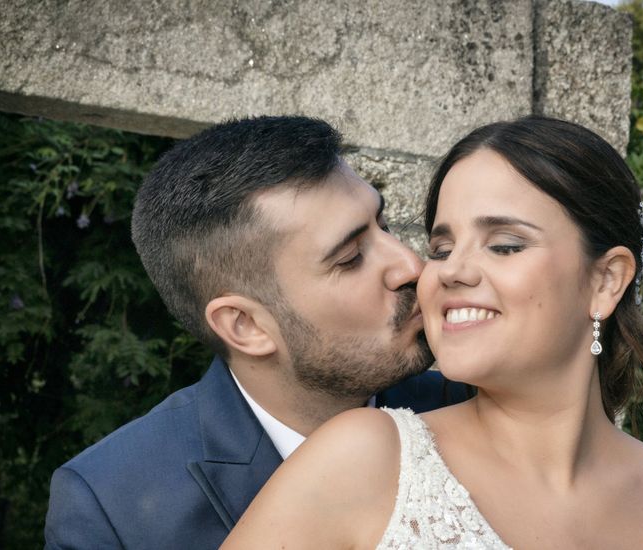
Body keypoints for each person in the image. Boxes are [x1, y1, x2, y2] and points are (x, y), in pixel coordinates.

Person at [222, 116, 643, 549]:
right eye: (442, 247)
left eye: (504, 245)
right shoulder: (363, 460)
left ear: (605, 280)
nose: (449, 271)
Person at [43, 116, 469, 549]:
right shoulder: (111, 506)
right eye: (350, 257)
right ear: (245, 326)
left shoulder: (471, 403)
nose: (411, 266)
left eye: (386, 225)